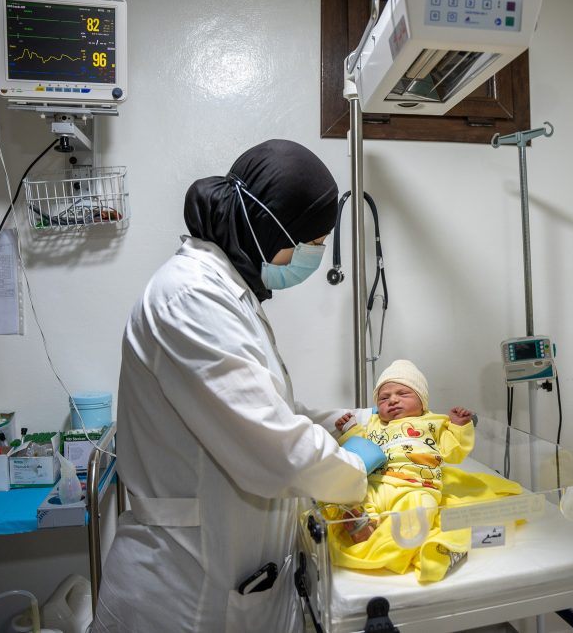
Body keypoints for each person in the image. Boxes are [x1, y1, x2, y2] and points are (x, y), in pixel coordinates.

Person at [91, 139, 383, 633]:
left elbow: (266, 409)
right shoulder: (190, 298)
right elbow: (275, 448)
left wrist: (350, 422)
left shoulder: (230, 292)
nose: (315, 255)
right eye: (313, 242)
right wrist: (357, 463)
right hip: (183, 595)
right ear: (270, 228)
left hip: (233, 580)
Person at [327, 359, 517, 583]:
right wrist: (349, 430)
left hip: (417, 486)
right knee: (354, 497)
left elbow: (454, 453)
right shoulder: (374, 424)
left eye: (403, 394)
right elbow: (357, 450)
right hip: (378, 482)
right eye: (384, 397)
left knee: (419, 513)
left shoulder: (434, 422)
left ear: (422, 402)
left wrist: (458, 426)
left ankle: (380, 537)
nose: (393, 400)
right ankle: (362, 524)